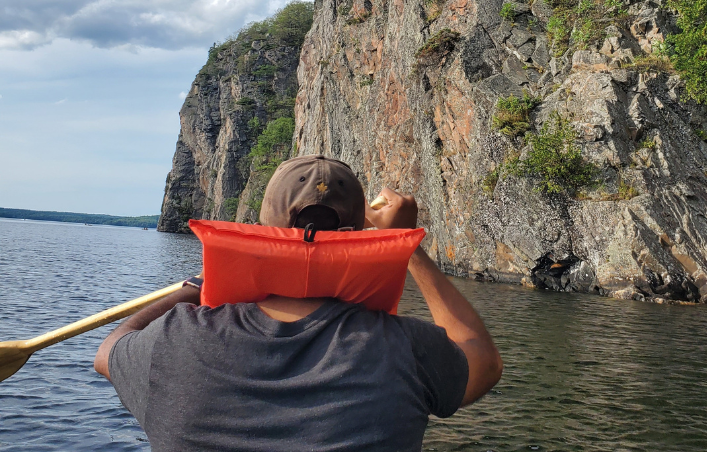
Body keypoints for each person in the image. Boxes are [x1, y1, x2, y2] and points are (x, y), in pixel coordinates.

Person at [94, 155, 502, 452]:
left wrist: (189, 291)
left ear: (262, 229)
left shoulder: (175, 338)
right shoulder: (408, 349)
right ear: (357, 235)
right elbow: (482, 363)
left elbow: (108, 352)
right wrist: (407, 246)